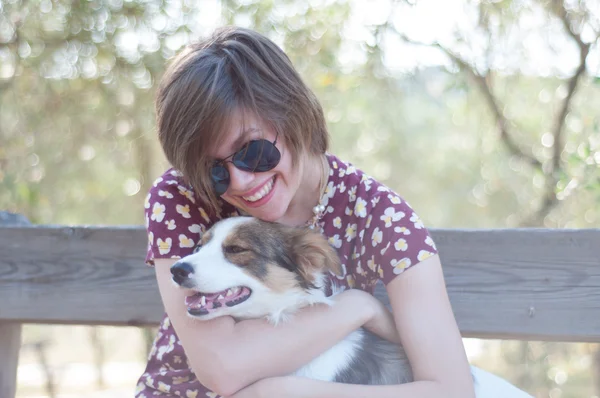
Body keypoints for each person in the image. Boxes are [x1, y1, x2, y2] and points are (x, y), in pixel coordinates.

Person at [136, 26, 475, 398]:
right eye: (213, 168)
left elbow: (452, 389)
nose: (241, 181)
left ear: (292, 113)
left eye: (252, 149)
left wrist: (289, 392)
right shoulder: (182, 194)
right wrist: (355, 308)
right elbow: (223, 368)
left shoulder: (382, 218)